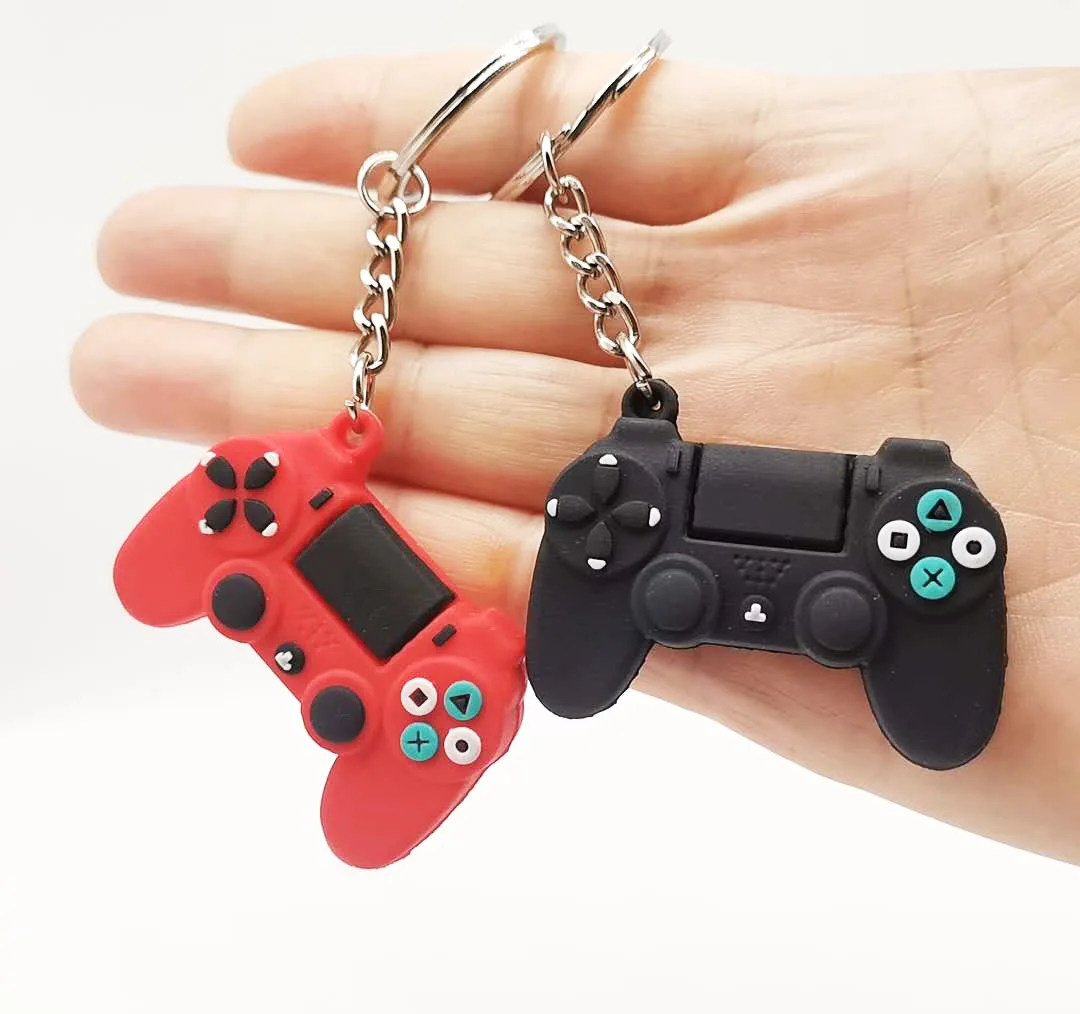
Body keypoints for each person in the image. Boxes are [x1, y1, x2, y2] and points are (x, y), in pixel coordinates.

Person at [69, 50, 1080, 865]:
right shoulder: (612, 497)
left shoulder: (631, 502)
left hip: (644, 539)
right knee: (296, 524)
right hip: (528, 541)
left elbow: (943, 723)